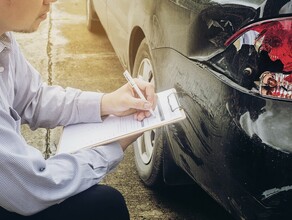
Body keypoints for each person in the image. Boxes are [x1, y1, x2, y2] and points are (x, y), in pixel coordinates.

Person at [0, 0, 156, 219]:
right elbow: (33, 187)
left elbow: (33, 98)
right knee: (106, 206)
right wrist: (112, 147)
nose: (51, 1)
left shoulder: (3, 37)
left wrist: (107, 102)